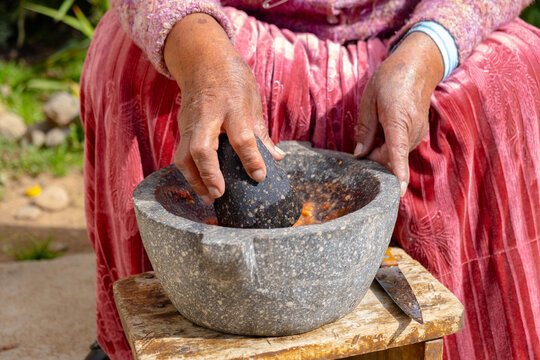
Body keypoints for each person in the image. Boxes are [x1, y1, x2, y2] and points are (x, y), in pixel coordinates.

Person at [80, 0, 540, 359]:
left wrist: (430, 49)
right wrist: (200, 55)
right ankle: (133, 338)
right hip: (220, 34)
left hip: (415, 35)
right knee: (131, 68)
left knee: (507, 74)